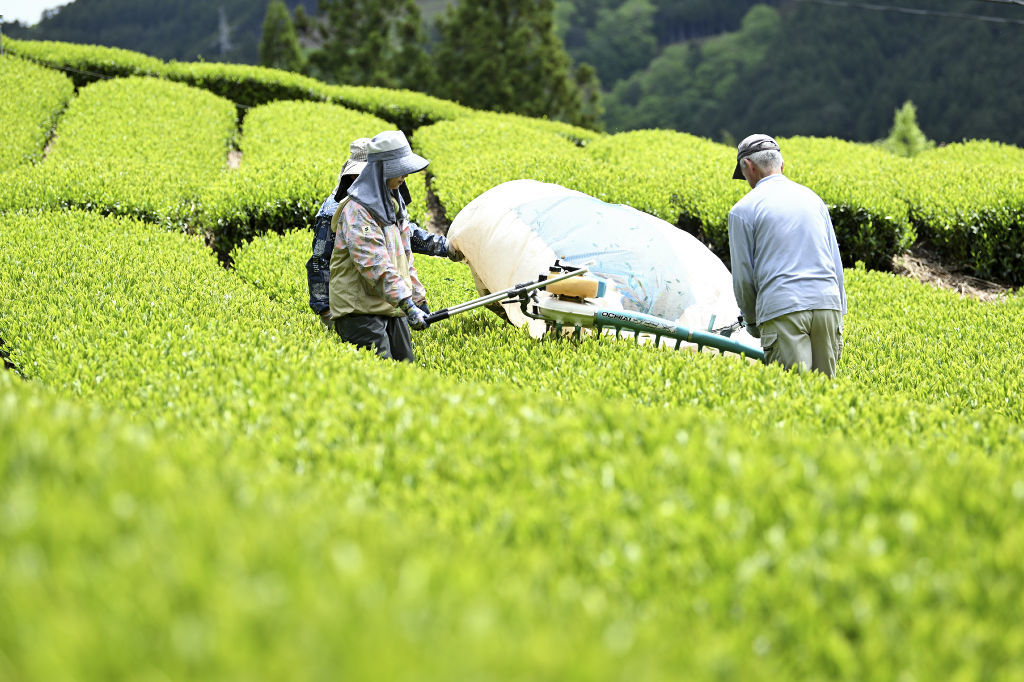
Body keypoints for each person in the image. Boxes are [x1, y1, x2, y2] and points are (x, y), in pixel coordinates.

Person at [306, 138, 462, 329]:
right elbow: (319, 261)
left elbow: (405, 237)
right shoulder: (337, 211)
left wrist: (444, 247)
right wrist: (326, 311)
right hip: (355, 306)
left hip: (381, 300)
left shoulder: (385, 200)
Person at [727, 133, 846, 377]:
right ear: (782, 165)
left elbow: (743, 278)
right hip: (827, 305)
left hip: (783, 309)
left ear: (748, 167)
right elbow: (836, 263)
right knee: (827, 398)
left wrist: (751, 322)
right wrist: (838, 312)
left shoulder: (742, 210)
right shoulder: (813, 199)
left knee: (795, 396)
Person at [328, 130, 436, 361]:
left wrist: (417, 298)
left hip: (391, 305)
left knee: (406, 369)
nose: (405, 174)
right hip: (359, 311)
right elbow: (374, 265)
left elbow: (404, 258)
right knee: (381, 373)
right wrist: (407, 304)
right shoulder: (357, 211)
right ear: (382, 169)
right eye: (400, 168)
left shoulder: (394, 203)